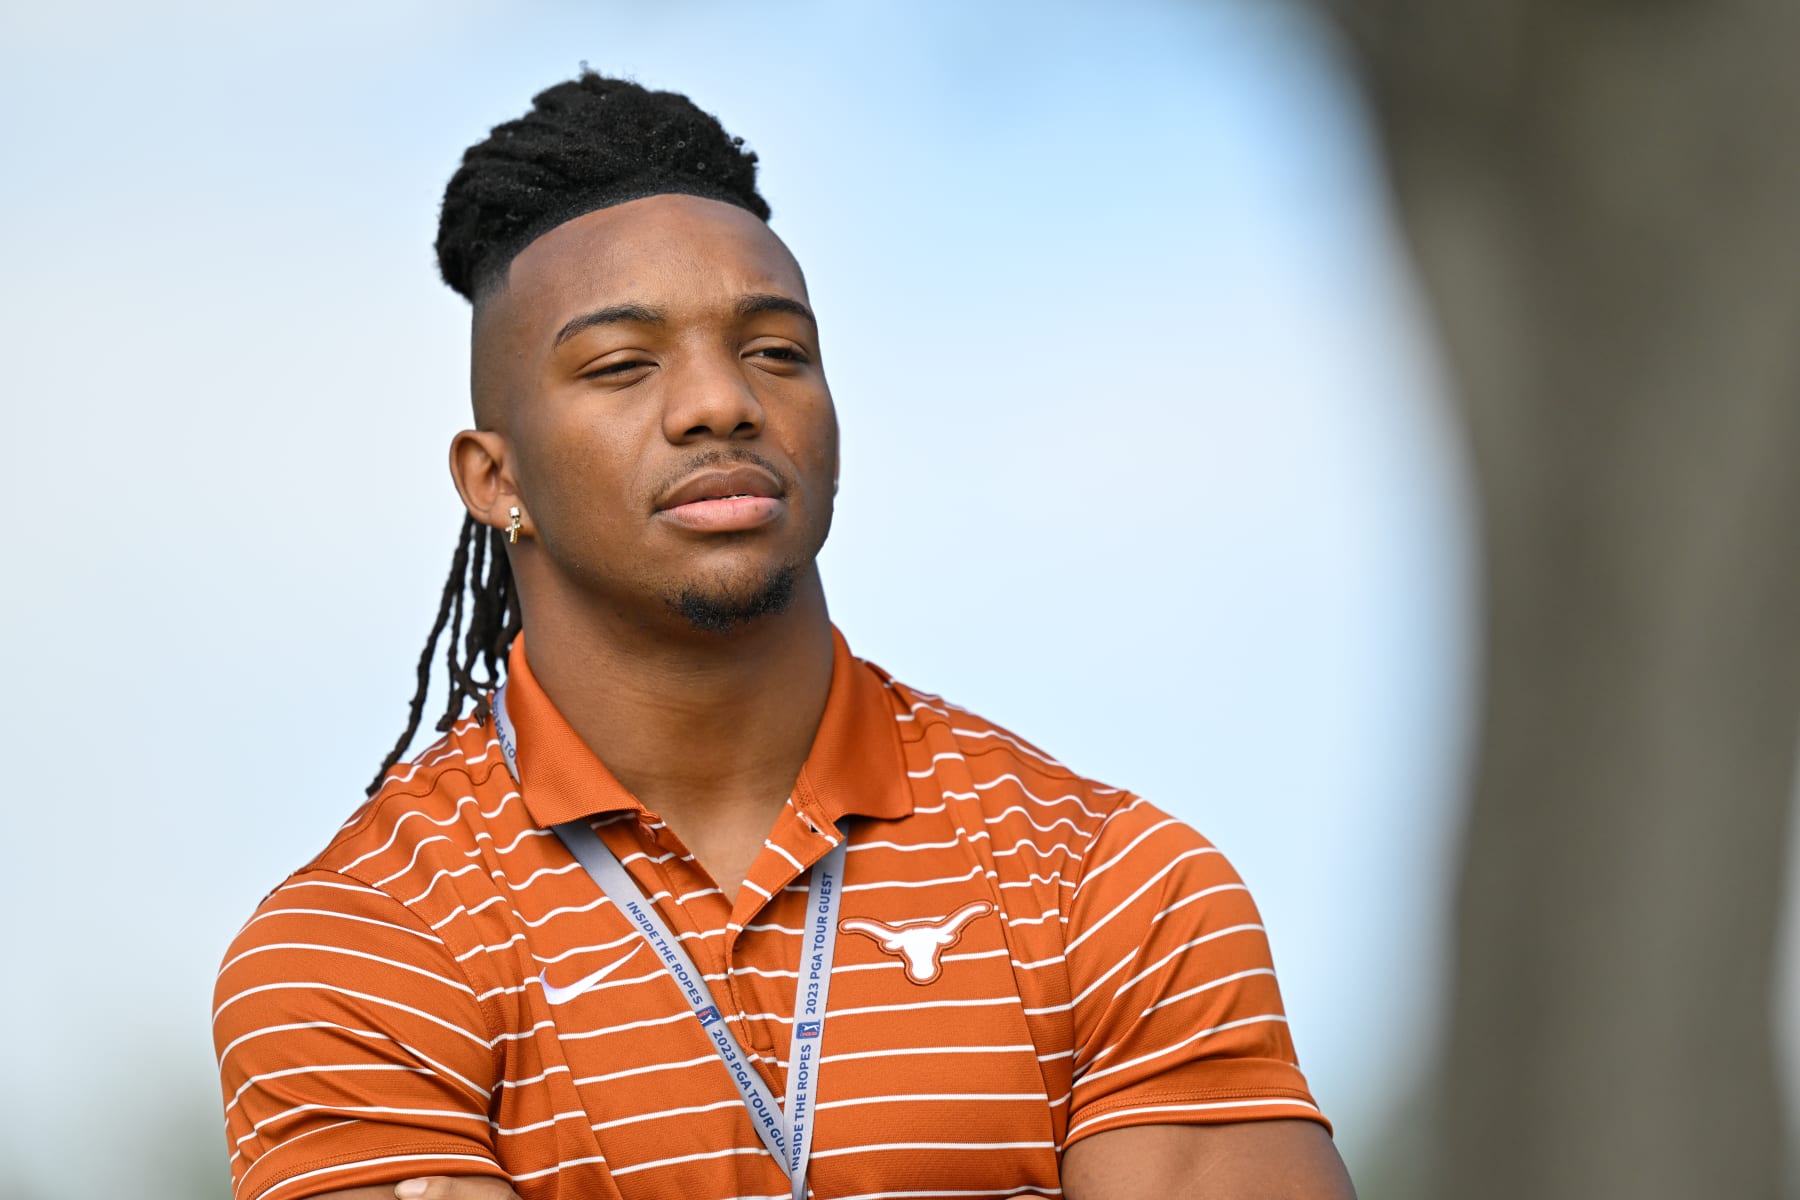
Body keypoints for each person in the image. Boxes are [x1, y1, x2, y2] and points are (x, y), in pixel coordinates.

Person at [212, 70, 1357, 1200]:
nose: (720, 403)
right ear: (494, 478)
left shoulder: (1110, 886)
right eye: (621, 366)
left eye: (776, 351)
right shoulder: (362, 952)